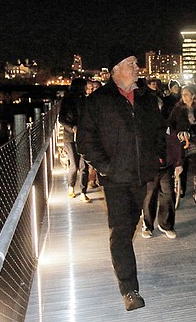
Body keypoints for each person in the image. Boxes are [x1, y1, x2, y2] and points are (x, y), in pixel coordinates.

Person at [77, 47, 165, 311]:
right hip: (115, 178)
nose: (137, 67)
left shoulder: (148, 99)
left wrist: (158, 158)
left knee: (130, 227)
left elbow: (160, 131)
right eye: (131, 63)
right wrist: (105, 167)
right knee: (121, 231)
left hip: (141, 176)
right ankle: (129, 289)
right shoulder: (98, 101)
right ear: (116, 69)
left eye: (136, 63)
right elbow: (85, 140)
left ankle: (127, 279)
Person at [168, 85, 196, 205]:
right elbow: (170, 123)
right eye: (182, 95)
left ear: (193, 95)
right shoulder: (178, 108)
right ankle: (180, 190)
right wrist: (176, 134)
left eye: (186, 94)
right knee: (182, 165)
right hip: (182, 141)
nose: (184, 97)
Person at [141, 125, 184, 239]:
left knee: (168, 195)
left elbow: (176, 144)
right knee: (150, 196)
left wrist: (178, 163)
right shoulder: (144, 125)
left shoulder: (169, 128)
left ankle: (166, 225)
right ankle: (147, 225)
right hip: (150, 167)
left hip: (167, 166)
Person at [58, 77, 90, 202]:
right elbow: (61, 119)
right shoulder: (67, 100)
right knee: (74, 165)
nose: (86, 89)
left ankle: (83, 191)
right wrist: (72, 127)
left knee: (84, 165)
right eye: (84, 86)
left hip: (84, 136)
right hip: (70, 137)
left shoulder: (85, 100)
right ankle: (71, 186)